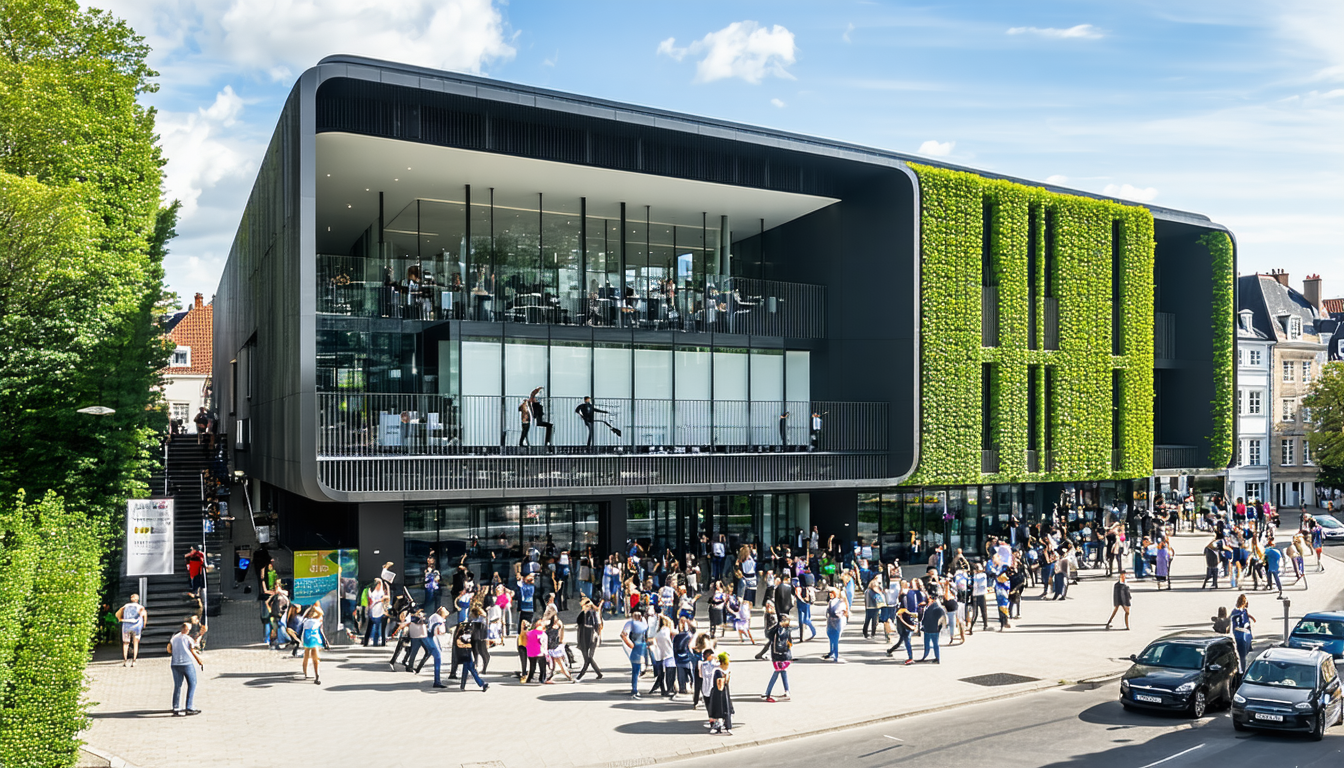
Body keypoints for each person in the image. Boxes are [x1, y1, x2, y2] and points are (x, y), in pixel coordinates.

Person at [167, 622, 204, 716]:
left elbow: (169, 649)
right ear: (185, 629)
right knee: (192, 683)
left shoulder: (174, 638)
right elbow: (193, 649)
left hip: (175, 664)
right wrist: (199, 660)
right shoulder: (187, 639)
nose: (189, 631)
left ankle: (176, 706)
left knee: (178, 685)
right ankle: (189, 707)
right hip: (187, 663)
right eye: (188, 629)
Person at [763, 614, 793, 702]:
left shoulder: (780, 630)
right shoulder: (785, 629)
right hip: (784, 654)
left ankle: (768, 692)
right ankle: (787, 691)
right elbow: (790, 642)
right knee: (783, 672)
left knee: (777, 672)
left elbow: (768, 635)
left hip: (778, 654)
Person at [620, 609, 650, 698]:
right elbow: (623, 635)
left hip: (641, 647)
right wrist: (632, 646)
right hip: (636, 648)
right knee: (636, 669)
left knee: (637, 669)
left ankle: (635, 687)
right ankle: (634, 689)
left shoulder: (642, 623)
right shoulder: (631, 624)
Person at [454, 619, 489, 691]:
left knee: (465, 670)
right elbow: (460, 645)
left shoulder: (464, 637)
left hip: (467, 655)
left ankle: (462, 685)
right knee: (473, 670)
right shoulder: (460, 638)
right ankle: (482, 684)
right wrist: (468, 644)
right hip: (465, 655)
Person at [575, 597, 604, 681]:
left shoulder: (594, 613)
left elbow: (598, 625)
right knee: (586, 658)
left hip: (592, 635)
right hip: (583, 636)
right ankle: (598, 673)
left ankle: (580, 676)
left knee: (589, 657)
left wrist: (598, 636)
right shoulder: (582, 614)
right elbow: (578, 621)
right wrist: (583, 612)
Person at [707, 652, 735, 735]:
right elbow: (721, 685)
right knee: (723, 709)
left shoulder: (719, 671)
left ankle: (721, 727)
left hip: (720, 693)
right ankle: (725, 726)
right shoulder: (722, 671)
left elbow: (720, 685)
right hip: (722, 693)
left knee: (720, 709)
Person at [300, 604, 328, 684]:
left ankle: (305, 673)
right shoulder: (317, 621)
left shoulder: (305, 620)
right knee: (315, 658)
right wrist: (314, 607)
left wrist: (311, 608)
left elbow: (306, 615)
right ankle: (317, 675)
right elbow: (321, 613)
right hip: (314, 639)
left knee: (306, 655)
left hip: (307, 639)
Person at [116, 594, 147, 667]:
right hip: (136, 627)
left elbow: (117, 614)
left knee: (126, 643)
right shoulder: (140, 607)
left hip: (126, 626)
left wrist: (120, 619)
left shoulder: (125, 606)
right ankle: (134, 661)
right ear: (137, 599)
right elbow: (144, 616)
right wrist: (144, 625)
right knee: (135, 643)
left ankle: (125, 660)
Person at [821, 587, 849, 663]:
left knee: (833, 638)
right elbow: (842, 611)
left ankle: (833, 653)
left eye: (832, 593)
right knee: (835, 639)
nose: (830, 594)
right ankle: (835, 655)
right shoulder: (838, 602)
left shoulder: (834, 601)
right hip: (837, 621)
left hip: (833, 621)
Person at [886, 600, 918, 664]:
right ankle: (910, 657)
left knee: (902, 642)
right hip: (904, 629)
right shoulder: (901, 612)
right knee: (906, 642)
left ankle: (890, 650)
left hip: (907, 629)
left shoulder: (909, 613)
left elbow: (913, 625)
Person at [1231, 594, 1256, 672]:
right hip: (1241, 636)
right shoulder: (1236, 613)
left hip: (1246, 634)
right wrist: (1244, 630)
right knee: (1243, 655)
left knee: (1246, 653)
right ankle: (1242, 670)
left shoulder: (1244, 610)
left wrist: (1251, 618)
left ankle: (1243, 668)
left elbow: (1246, 615)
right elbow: (1236, 626)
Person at [918, 598, 946, 663]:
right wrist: (939, 628)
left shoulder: (927, 610)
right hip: (935, 630)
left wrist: (923, 626)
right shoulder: (940, 610)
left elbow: (924, 620)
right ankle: (937, 658)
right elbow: (943, 620)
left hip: (927, 629)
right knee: (935, 644)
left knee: (927, 644)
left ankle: (925, 656)